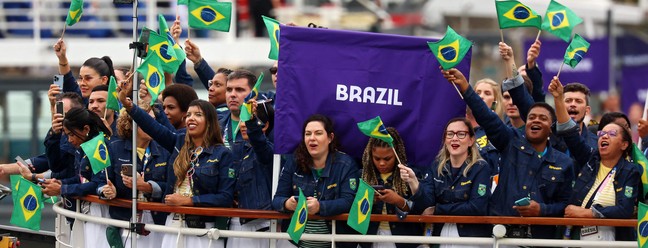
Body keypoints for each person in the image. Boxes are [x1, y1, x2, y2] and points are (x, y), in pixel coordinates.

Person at [441, 68, 574, 240]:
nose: (535, 120)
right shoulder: (511, 142)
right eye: (531, 117)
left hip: (540, 239)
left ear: (551, 128)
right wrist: (466, 87)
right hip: (502, 236)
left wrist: (541, 210)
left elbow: (567, 206)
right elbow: (488, 118)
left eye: (543, 118)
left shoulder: (564, 162)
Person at [119, 82, 235, 247]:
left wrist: (190, 201)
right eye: (188, 115)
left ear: (210, 121)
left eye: (198, 114)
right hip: (172, 224)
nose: (191, 118)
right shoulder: (177, 142)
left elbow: (225, 197)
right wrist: (127, 104)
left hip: (203, 231)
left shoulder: (223, 154)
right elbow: (152, 127)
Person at [549, 77, 640, 241]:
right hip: (577, 237)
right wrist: (557, 98)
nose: (604, 136)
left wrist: (588, 213)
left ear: (624, 144)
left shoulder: (630, 170)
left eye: (612, 134)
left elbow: (624, 210)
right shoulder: (590, 160)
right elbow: (570, 134)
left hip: (612, 240)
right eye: (601, 134)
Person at [272, 114, 360, 248]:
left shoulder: (346, 164)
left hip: (335, 242)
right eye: (307, 134)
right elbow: (277, 199)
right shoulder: (293, 162)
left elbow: (349, 202)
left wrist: (320, 207)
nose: (312, 138)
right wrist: (287, 204)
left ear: (330, 138)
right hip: (296, 243)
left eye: (318, 133)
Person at [36, 107, 112, 248]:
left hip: (100, 212)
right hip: (85, 212)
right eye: (66, 135)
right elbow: (81, 178)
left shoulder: (98, 147)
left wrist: (62, 189)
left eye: (71, 134)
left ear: (85, 129)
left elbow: (98, 183)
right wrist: (60, 182)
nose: (69, 140)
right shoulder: (84, 147)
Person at [101, 105, 171, 248]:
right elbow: (100, 182)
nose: (152, 125)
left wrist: (148, 187)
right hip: (124, 221)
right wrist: (108, 191)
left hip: (157, 222)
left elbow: (172, 187)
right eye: (146, 120)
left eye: (154, 120)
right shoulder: (114, 148)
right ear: (130, 124)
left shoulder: (165, 150)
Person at [416, 118, 491, 247]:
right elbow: (427, 202)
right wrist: (413, 183)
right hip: (439, 236)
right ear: (445, 139)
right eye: (450, 134)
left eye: (461, 134)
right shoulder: (436, 166)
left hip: (470, 238)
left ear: (471, 140)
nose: (454, 138)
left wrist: (438, 209)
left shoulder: (481, 167)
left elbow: (477, 207)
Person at [358, 127, 426, 248]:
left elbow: (422, 210)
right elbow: (355, 215)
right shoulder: (363, 176)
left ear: (396, 154)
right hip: (370, 239)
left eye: (387, 159)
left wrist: (398, 201)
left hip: (403, 240)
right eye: (377, 158)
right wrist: (367, 201)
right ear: (370, 155)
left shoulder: (410, 175)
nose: (382, 163)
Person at [227, 99, 275, 247]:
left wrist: (251, 122)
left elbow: (259, 142)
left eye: (246, 120)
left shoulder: (269, 152)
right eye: (242, 119)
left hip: (261, 225)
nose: (242, 124)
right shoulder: (237, 150)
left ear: (265, 125)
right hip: (236, 222)